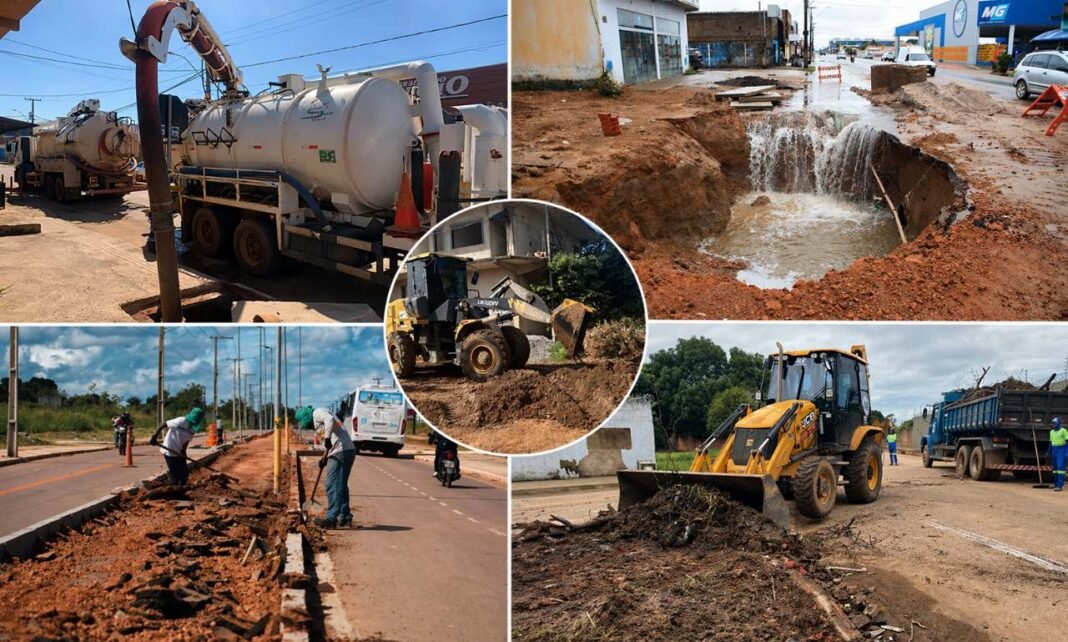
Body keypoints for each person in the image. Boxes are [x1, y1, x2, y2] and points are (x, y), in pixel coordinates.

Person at [297, 406, 356, 528]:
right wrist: (324, 458)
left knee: (332, 484)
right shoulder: (318, 420)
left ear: (305, 417)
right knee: (341, 486)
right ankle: (345, 517)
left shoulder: (318, 412)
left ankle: (331, 518)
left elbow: (329, 419)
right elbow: (328, 443)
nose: (307, 426)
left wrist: (328, 438)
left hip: (341, 451)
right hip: (344, 450)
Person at [149, 408, 205, 486]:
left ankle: (181, 490)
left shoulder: (193, 429)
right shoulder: (181, 421)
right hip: (169, 451)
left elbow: (186, 441)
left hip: (179, 451)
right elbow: (163, 424)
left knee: (184, 473)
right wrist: (154, 436)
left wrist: (183, 453)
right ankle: (168, 491)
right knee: (175, 476)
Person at [1050, 417, 1068, 492]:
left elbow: (1067, 441)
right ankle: (1055, 484)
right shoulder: (1051, 432)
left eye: (1054, 423)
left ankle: (1059, 485)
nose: (1053, 425)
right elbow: (1050, 443)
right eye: (1052, 423)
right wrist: (1048, 452)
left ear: (1058, 423)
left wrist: (1067, 452)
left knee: (1060, 468)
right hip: (1054, 450)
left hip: (1061, 450)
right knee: (1055, 468)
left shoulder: (1063, 431)